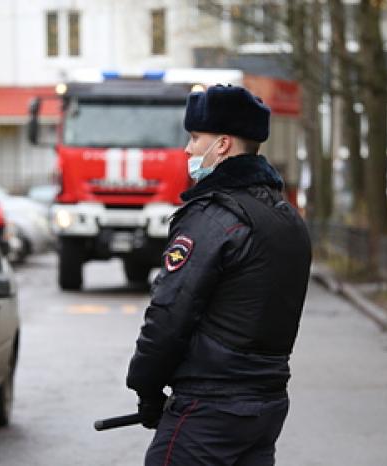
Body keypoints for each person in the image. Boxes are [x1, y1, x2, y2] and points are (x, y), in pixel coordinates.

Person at [126, 84, 312, 465]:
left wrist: (145, 385)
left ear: (223, 144)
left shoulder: (213, 218)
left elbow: (170, 312)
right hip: (267, 402)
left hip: (211, 407)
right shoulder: (286, 217)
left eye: (196, 138)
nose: (188, 149)